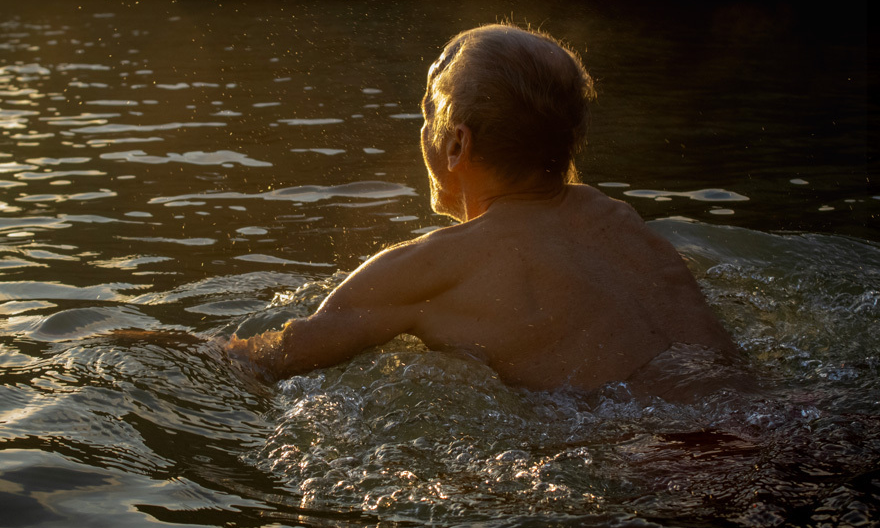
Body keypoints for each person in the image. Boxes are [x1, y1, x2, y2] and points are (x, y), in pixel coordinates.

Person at [221, 23, 737, 395]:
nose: (422, 131)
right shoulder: (623, 224)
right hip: (776, 419)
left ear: (456, 146)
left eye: (428, 115)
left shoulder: (431, 266)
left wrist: (146, 343)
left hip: (665, 465)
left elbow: (269, 360)